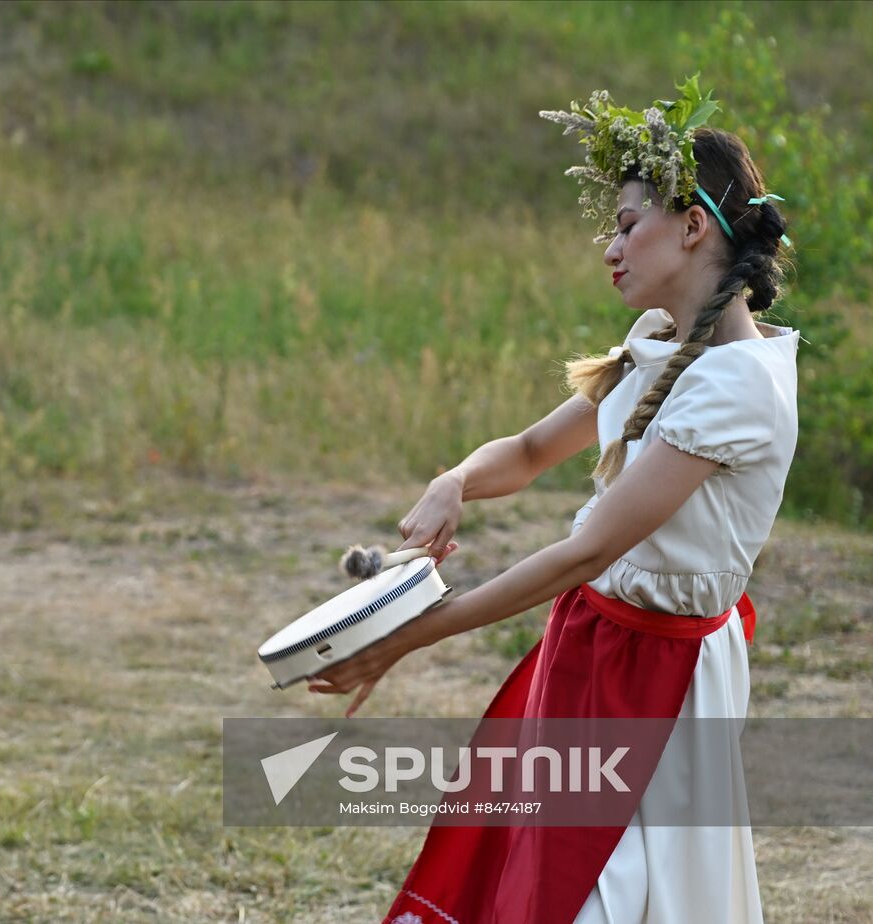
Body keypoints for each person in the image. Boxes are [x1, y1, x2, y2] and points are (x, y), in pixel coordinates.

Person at [308, 78, 795, 923]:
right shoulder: (655, 346)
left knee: (619, 897)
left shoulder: (740, 386)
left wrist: (404, 639)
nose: (612, 247)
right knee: (554, 886)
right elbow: (532, 451)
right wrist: (454, 480)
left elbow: (585, 551)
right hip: (592, 651)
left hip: (662, 671)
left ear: (692, 226)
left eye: (627, 223)